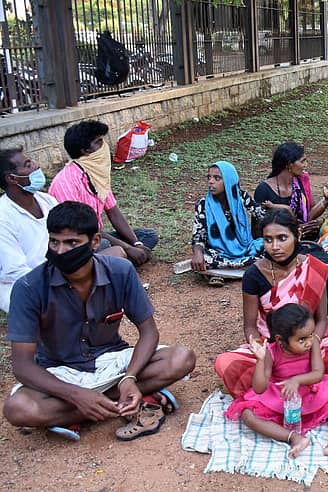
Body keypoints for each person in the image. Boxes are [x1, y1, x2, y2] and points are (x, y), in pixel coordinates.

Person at [2, 201, 196, 441]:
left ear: (95, 242)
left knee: (181, 358)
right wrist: (76, 394)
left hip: (111, 361)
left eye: (72, 243)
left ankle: (80, 411)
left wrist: (130, 377)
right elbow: (22, 366)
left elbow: (149, 332)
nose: (60, 251)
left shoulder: (120, 271)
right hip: (60, 371)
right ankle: (125, 400)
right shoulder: (29, 287)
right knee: (18, 409)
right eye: (54, 242)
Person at [213, 209, 328, 406]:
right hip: (272, 347)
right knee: (226, 363)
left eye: (282, 238)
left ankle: (280, 395)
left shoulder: (315, 267)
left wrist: (312, 344)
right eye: (268, 240)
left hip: (309, 343)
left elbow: (321, 319)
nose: (275, 247)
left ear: (297, 234)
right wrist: (260, 350)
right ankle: (307, 393)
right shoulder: (254, 275)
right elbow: (250, 326)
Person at [224, 303, 328, 458]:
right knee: (248, 415)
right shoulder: (271, 351)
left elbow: (318, 373)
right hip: (281, 397)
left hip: (308, 394)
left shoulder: (313, 344)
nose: (308, 342)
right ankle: (293, 438)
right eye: (301, 340)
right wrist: (260, 360)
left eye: (310, 335)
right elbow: (259, 388)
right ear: (280, 339)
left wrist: (296, 380)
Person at [48, 120, 158, 266]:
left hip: (96, 236)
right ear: (85, 150)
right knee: (104, 244)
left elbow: (113, 212)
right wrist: (127, 248)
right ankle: (110, 263)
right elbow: (81, 229)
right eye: (98, 142)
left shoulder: (96, 174)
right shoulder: (66, 181)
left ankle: (112, 261)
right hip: (76, 241)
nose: (104, 146)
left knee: (148, 236)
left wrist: (136, 244)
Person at [0, 147, 59, 312]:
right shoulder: (3, 217)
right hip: (24, 285)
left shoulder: (47, 201)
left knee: (115, 255)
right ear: (12, 178)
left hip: (60, 271)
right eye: (28, 165)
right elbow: (16, 271)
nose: (36, 165)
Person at [190, 161, 266, 286]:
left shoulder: (241, 197)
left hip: (245, 248)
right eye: (209, 177)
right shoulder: (203, 204)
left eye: (217, 178)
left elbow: (261, 216)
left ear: (230, 180)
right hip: (218, 252)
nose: (211, 182)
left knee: (267, 248)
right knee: (204, 259)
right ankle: (244, 270)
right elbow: (199, 234)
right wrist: (197, 253)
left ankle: (219, 273)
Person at [254, 141, 327, 241]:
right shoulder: (264, 190)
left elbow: (309, 215)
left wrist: (325, 201)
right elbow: (258, 231)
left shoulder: (302, 182)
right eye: (302, 161)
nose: (306, 165)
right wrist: (294, 231)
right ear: (289, 164)